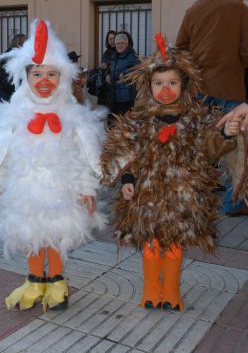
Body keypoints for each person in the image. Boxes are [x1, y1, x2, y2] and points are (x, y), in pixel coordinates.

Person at [0, 20, 105, 312]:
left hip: (63, 187)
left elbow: (88, 150)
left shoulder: (71, 113)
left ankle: (57, 282)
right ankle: (35, 280)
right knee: (30, 234)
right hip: (24, 188)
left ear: (62, 77)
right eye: (38, 73)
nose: (44, 80)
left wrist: (88, 187)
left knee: (58, 234)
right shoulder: (16, 111)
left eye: (51, 73)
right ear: (27, 76)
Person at [102, 34, 242, 312]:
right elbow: (127, 153)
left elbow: (209, 148)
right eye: (159, 83)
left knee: (175, 243)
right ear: (148, 85)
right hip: (148, 195)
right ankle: (152, 289)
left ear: (184, 85)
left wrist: (225, 133)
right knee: (152, 242)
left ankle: (171, 290)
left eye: (172, 83)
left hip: (183, 195)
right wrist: (128, 180)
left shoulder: (196, 118)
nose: (165, 89)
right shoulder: (139, 119)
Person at [176, 0, 248, 215]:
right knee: (235, 149)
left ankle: (191, 198)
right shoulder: (240, 10)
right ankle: (234, 201)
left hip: (198, 92)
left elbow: (180, 52)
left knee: (198, 145)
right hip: (231, 90)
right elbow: (245, 51)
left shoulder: (192, 11)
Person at [106, 31, 139, 118]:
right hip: (113, 95)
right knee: (112, 122)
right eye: (117, 43)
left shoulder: (132, 56)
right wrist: (107, 74)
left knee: (124, 123)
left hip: (126, 96)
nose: (120, 45)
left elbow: (139, 68)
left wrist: (125, 73)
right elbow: (109, 68)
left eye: (122, 43)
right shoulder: (114, 56)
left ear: (127, 44)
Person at [0, 33, 28, 102]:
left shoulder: (13, 53)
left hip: (5, 88)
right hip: (6, 89)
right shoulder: (13, 54)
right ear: (20, 42)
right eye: (26, 42)